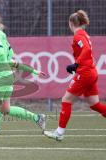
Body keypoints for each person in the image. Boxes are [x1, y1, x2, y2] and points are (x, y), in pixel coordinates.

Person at [0, 8, 46, 147]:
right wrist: (33, 70)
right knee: (5, 110)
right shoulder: (2, 34)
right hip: (7, 76)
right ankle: (37, 118)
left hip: (0, 77)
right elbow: (9, 57)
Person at [44, 10, 106, 141]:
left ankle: (59, 133)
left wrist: (76, 64)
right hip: (91, 71)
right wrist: (78, 64)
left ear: (71, 23)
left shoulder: (78, 35)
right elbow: (87, 52)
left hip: (85, 73)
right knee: (94, 104)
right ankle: (59, 132)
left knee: (66, 100)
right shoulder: (84, 34)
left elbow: (87, 50)